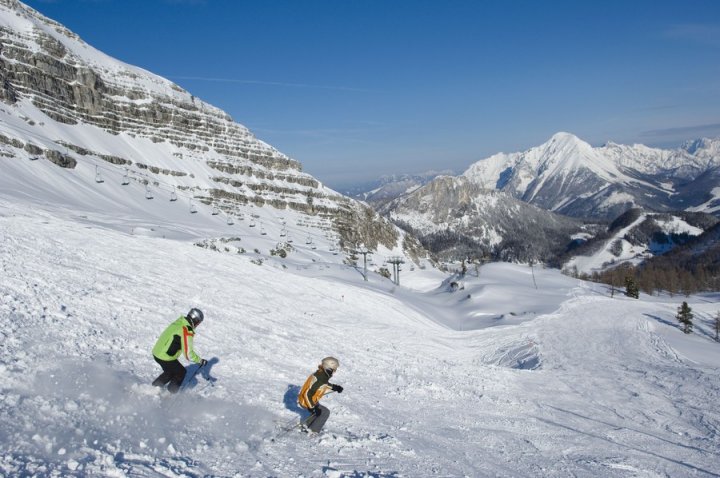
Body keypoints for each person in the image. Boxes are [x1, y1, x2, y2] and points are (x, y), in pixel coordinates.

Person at [152, 308, 207, 393]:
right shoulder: (186, 330)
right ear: (195, 320)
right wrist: (199, 360)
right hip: (164, 356)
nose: (197, 325)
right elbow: (188, 354)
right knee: (181, 372)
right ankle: (170, 393)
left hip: (157, 351)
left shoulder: (180, 322)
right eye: (198, 323)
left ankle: (153, 388)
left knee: (170, 372)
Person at [298, 356, 344, 433]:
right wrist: (312, 407)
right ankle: (313, 431)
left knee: (319, 411)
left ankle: (307, 425)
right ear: (329, 369)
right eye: (333, 370)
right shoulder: (320, 378)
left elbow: (323, 384)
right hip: (307, 401)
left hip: (310, 400)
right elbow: (307, 394)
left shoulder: (321, 374)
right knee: (324, 412)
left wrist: (335, 387)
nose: (334, 372)